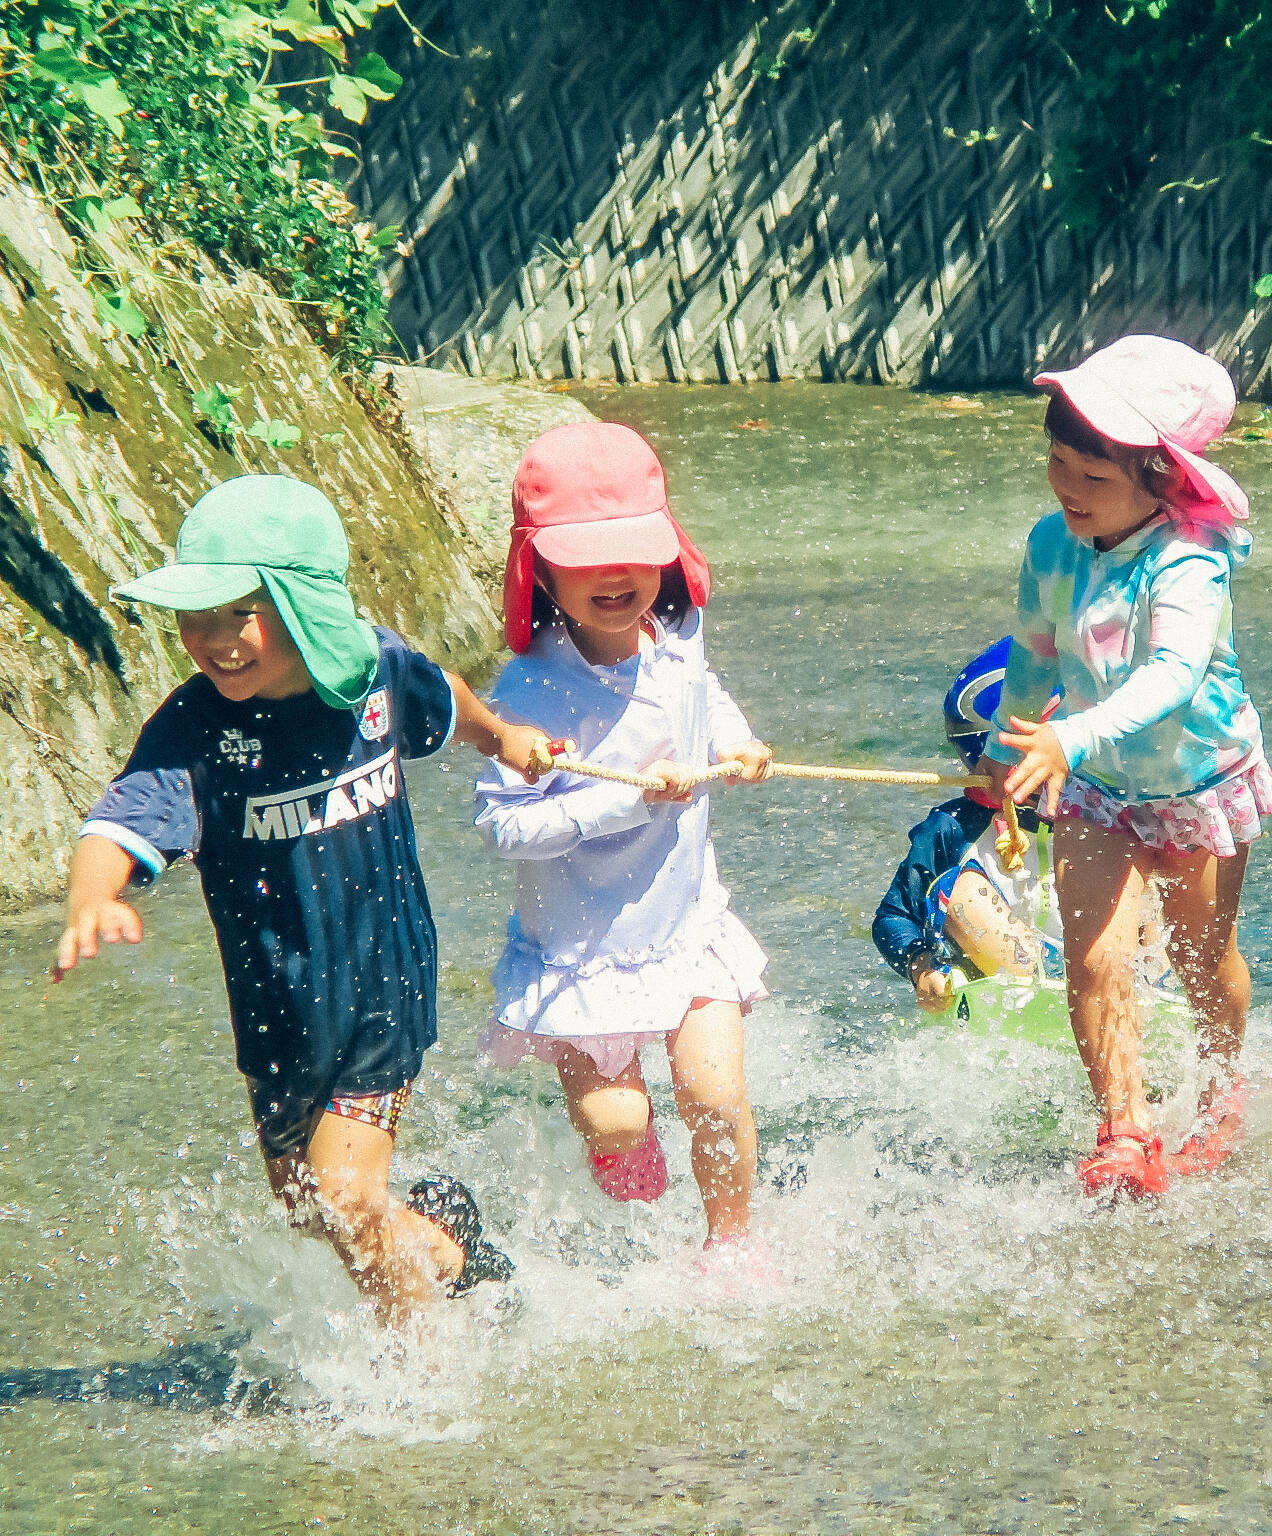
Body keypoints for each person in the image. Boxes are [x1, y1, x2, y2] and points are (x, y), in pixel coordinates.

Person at [54, 475, 554, 1326]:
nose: (216, 640)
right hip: (277, 1005)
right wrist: (90, 899)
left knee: (345, 1196)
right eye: (197, 617)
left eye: (241, 613)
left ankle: (420, 1371)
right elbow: (120, 820)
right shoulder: (195, 730)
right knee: (305, 1206)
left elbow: (443, 695)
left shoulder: (372, 673)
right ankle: (449, 1249)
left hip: (382, 982)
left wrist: (501, 736)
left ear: (305, 606)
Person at [979, 335, 1272, 1199]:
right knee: (1094, 956)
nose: (1067, 487)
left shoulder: (1188, 560)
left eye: (1093, 476)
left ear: (1162, 478)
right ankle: (1125, 1128)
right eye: (1057, 462)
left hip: (1198, 783)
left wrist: (1069, 738)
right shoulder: (1051, 543)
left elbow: (1173, 675)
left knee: (1202, 957)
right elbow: (1033, 653)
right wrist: (1008, 749)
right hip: (1098, 787)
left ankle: (1220, 1090)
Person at [473, 422, 772, 1249]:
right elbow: (502, 825)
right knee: (617, 1122)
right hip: (585, 949)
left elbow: (704, 694)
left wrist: (735, 744)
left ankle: (731, 1247)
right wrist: (625, 802)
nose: (615, 576)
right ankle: (622, 1161)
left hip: (685, 925)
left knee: (715, 1096)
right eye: (585, 560)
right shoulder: (529, 691)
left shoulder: (677, 635)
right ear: (539, 569)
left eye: (635, 553)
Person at [873, 639, 1059, 1011]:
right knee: (960, 889)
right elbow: (894, 917)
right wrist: (921, 966)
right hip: (1003, 988)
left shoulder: (1104, 816)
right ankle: (1047, 981)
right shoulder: (953, 828)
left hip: (1097, 968)